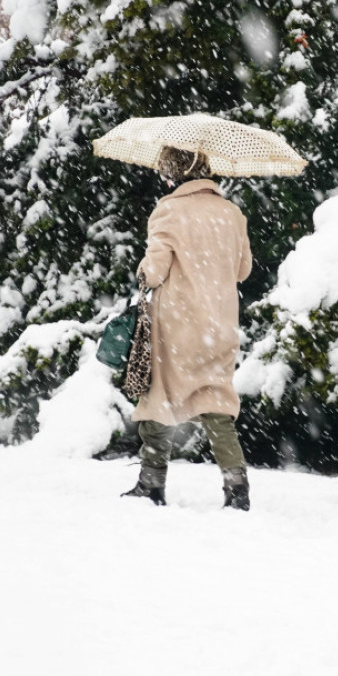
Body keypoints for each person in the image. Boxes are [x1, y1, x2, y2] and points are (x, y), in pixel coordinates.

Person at [121, 146, 253, 510]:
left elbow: (155, 270)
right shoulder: (232, 213)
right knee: (217, 404)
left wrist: (143, 270)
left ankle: (151, 482)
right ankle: (236, 486)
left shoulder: (169, 210)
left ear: (175, 175)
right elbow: (243, 271)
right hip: (220, 323)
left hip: (176, 326)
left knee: (157, 399)